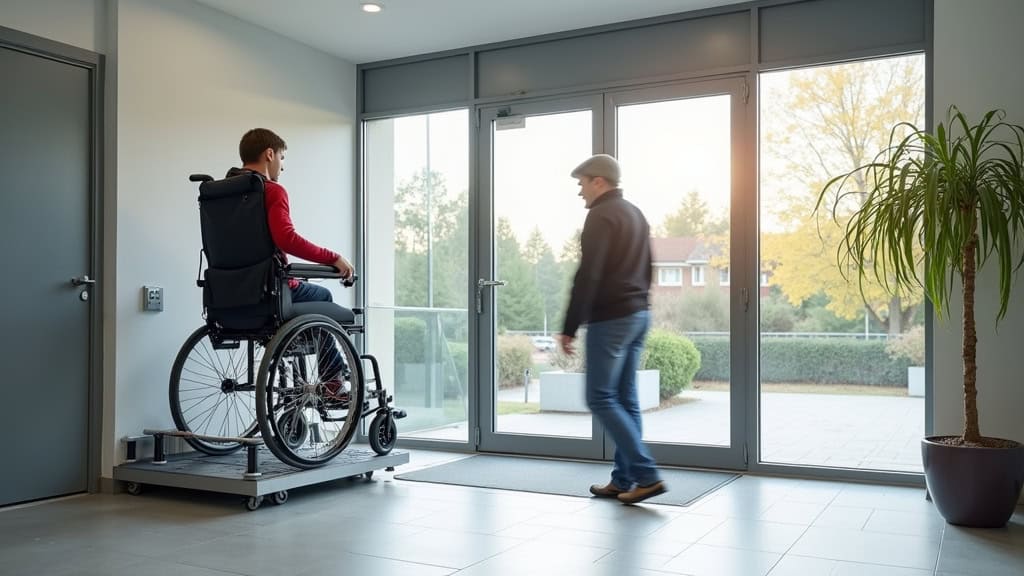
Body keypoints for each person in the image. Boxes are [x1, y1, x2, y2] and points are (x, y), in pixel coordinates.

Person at [557, 153, 666, 505]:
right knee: (625, 398)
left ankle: (646, 475)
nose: (580, 192)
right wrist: (640, 306)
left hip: (612, 318)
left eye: (582, 183)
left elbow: (589, 274)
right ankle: (624, 479)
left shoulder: (600, 216)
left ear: (598, 181)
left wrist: (569, 326)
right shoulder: (635, 214)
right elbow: (649, 268)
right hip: (638, 315)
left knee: (599, 396)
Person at [228, 128, 353, 398]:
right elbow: (287, 239)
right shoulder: (271, 191)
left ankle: (296, 348)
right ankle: (333, 381)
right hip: (270, 290)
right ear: (269, 154)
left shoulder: (223, 194)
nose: (281, 166)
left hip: (229, 293)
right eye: (282, 158)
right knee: (323, 296)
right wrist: (333, 258)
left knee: (311, 301)